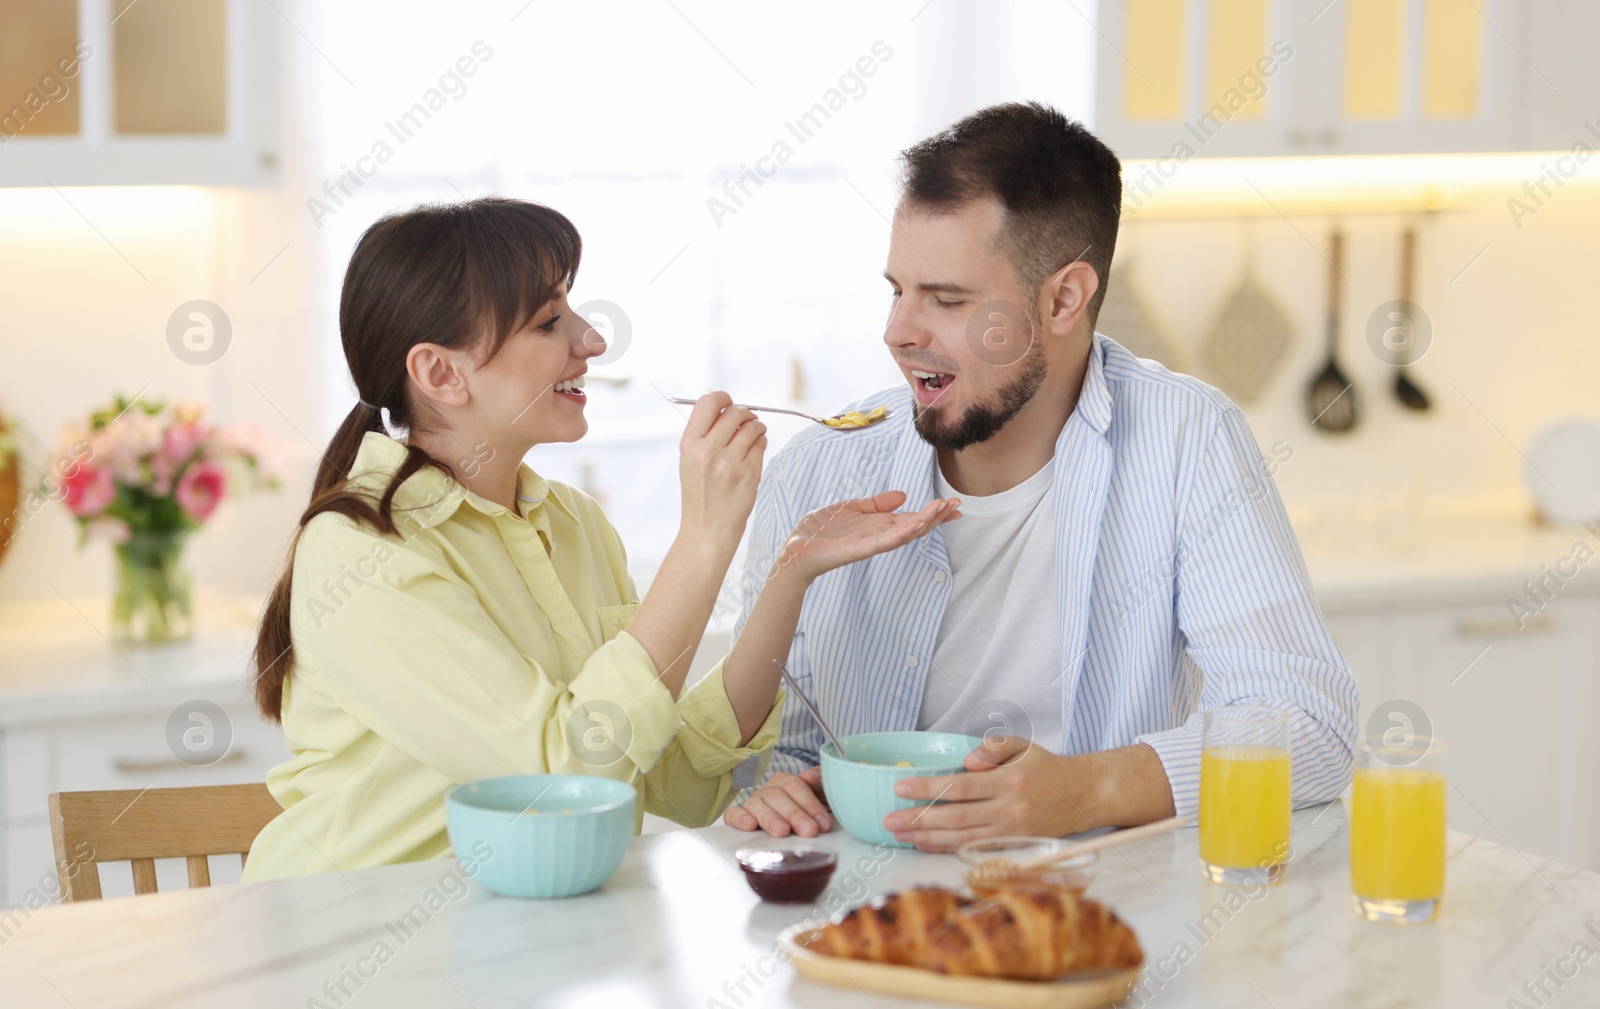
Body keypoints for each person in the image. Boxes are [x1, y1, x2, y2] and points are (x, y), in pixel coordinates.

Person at [242, 198, 956, 880]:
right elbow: (561, 781)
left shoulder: (575, 525)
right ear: (440, 373)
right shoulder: (360, 552)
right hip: (355, 947)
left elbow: (669, 774)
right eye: (550, 321)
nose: (592, 339)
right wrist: (703, 539)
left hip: (528, 939)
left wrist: (791, 572)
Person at [723, 102, 1358, 849]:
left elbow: (1309, 728)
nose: (898, 331)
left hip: (1098, 911)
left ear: (1063, 299)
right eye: (898, 289)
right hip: (873, 919)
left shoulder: (1187, 440)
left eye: (947, 299)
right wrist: (770, 786)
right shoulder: (821, 468)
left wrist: (1085, 788)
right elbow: (764, 750)